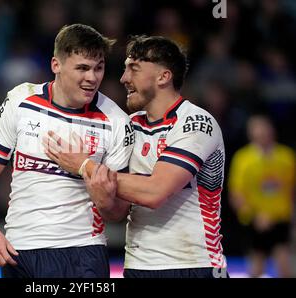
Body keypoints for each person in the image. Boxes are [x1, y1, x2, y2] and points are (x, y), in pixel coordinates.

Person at [44, 35, 229, 278]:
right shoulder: (128, 126)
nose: (123, 79)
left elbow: (155, 192)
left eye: (133, 69)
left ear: (163, 77)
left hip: (195, 265)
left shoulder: (195, 122)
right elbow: (117, 212)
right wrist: (104, 198)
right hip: (137, 267)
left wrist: (84, 166)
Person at [0, 24, 134, 278]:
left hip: (82, 254)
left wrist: (88, 176)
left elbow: (118, 212)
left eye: (98, 68)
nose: (92, 77)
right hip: (20, 252)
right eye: (82, 68)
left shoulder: (117, 122)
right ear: (56, 65)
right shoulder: (21, 101)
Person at [229, 115, 295, 278]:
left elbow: (292, 190)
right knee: (256, 267)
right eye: (256, 130)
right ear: (251, 134)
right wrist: (254, 216)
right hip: (254, 222)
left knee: (285, 266)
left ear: (272, 131)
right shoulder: (243, 159)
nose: (261, 134)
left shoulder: (287, 156)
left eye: (264, 129)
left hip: (280, 220)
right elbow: (236, 193)